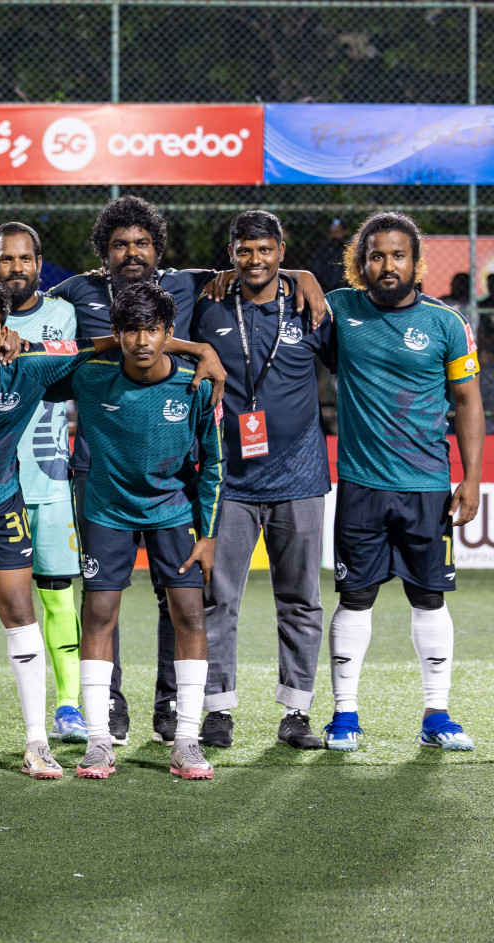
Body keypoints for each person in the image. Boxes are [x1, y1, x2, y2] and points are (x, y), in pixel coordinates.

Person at [49, 194, 325, 743]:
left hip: (169, 469)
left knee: (176, 596)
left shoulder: (191, 283)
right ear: (103, 253)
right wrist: (197, 343)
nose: (132, 253)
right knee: (104, 594)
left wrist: (305, 274)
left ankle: (173, 706)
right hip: (97, 470)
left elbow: (256, 267)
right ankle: (112, 708)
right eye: (120, 245)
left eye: (142, 243)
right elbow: (33, 315)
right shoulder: (74, 291)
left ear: (158, 248)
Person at [49, 283, 224, 781]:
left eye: (153, 330)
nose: (142, 341)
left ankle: (187, 740)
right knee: (99, 612)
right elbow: (50, 360)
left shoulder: (197, 385)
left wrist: (207, 535)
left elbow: (214, 463)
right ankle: (100, 741)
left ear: (168, 333)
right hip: (107, 510)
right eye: (130, 331)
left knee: (189, 613)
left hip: (171, 511)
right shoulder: (92, 375)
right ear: (117, 334)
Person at [324, 212, 483, 752]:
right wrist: (300, 276)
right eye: (375, 255)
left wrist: (470, 479)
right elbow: (276, 292)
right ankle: (345, 715)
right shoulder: (339, 310)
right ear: (360, 263)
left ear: (416, 262)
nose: (386, 264)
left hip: (427, 485)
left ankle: (436, 715)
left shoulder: (447, 323)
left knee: (430, 598)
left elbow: (467, 402)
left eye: (397, 255)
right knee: (355, 595)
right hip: (361, 485)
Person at [189, 210, 332, 749]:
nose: (255, 261)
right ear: (231, 253)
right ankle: (217, 710)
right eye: (244, 251)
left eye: (265, 250)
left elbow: (350, 363)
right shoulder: (209, 307)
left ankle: (296, 713)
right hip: (230, 481)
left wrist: (308, 279)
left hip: (299, 478)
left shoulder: (309, 308)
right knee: (217, 598)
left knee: (300, 598)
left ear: (281, 249)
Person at [0, 223, 87, 749]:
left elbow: (62, 368)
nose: (16, 268)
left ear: (39, 262)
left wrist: (26, 348)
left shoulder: (61, 315)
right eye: (6, 260)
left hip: (47, 482)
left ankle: (68, 706)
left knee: (55, 595)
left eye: (25, 259)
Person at [310, 218, 348, 293]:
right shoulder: (323, 250)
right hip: (324, 288)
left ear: (344, 232)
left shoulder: (349, 250)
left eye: (337, 232)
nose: (334, 235)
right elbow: (317, 269)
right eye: (332, 232)